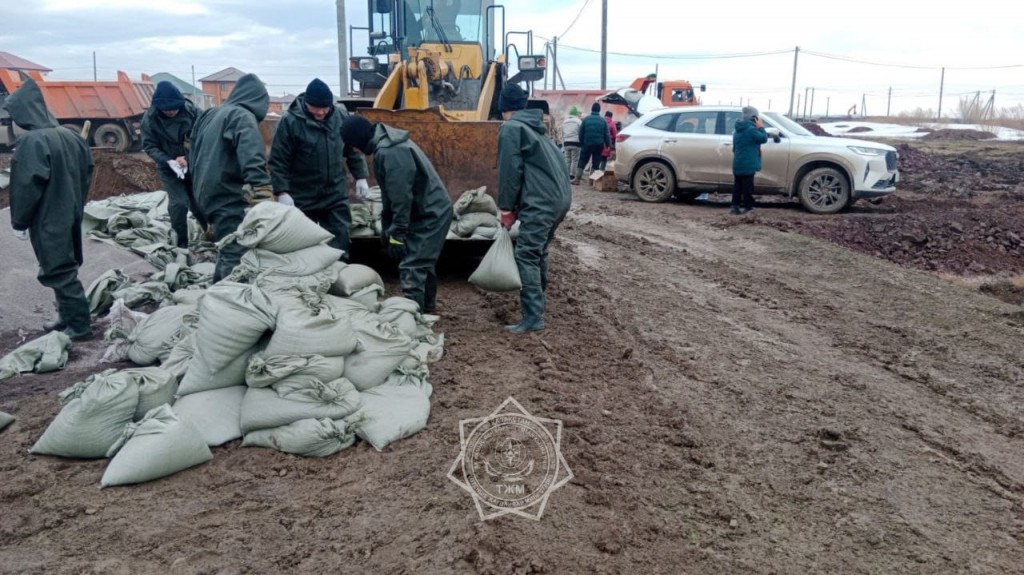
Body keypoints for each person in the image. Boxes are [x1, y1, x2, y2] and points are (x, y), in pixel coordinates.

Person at [4, 78, 94, 340]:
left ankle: (79, 326)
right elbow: (88, 170)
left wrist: (19, 221)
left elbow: (26, 185)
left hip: (49, 215)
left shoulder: (32, 141)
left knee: (58, 269)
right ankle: (65, 316)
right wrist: (77, 199)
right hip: (71, 209)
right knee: (65, 262)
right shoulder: (71, 135)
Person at [340, 115, 453, 313]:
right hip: (424, 210)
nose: (355, 151)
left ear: (359, 139)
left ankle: (413, 317)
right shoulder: (386, 144)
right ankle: (427, 308)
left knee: (412, 265)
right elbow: (391, 196)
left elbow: (401, 197)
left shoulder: (391, 151)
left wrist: (398, 233)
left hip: (431, 213)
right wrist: (388, 227)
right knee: (422, 261)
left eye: (353, 146)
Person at [495, 83, 572, 333]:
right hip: (558, 200)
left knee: (526, 255)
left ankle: (533, 318)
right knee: (538, 251)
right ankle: (538, 303)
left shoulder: (511, 129)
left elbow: (510, 172)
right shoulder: (537, 130)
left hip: (541, 202)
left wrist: (506, 208)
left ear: (503, 107)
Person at [268, 78, 369, 259]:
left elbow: (352, 149)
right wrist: (282, 191)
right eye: (316, 108)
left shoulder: (340, 117)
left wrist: (361, 176)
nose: (321, 112)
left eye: (325, 108)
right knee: (303, 245)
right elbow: (278, 160)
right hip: (302, 194)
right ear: (306, 103)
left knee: (339, 239)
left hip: (334, 193)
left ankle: (339, 271)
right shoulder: (290, 122)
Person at [189, 73, 274, 282]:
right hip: (226, 195)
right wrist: (262, 189)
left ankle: (218, 288)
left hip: (205, 192)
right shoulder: (242, 116)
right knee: (235, 250)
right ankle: (227, 296)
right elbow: (252, 154)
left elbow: (192, 150)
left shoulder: (211, 114)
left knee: (226, 245)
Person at [141, 80, 207, 249]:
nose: (171, 112)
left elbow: (205, 139)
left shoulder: (193, 112)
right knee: (179, 204)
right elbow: (149, 146)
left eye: (174, 108)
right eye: (166, 109)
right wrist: (167, 160)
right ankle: (180, 243)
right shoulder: (150, 119)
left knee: (199, 203)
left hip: (194, 164)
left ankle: (210, 233)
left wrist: (188, 158)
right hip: (169, 168)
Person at [731, 106, 768, 215]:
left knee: (737, 186)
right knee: (748, 187)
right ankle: (748, 207)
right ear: (754, 117)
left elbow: (734, 149)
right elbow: (764, 138)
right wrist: (761, 127)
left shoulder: (736, 130)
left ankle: (734, 207)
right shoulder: (751, 130)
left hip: (737, 163)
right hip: (748, 164)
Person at [573, 102, 610, 185]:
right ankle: (591, 181)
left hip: (587, 143)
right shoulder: (603, 121)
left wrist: (582, 143)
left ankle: (577, 179)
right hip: (599, 145)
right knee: (596, 163)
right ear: (599, 110)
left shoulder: (586, 119)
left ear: (591, 109)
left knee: (582, 160)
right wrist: (608, 144)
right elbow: (607, 134)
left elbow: (581, 133)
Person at [560, 106, 582, 181]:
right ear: (576, 113)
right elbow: (581, 133)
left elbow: (562, 133)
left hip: (566, 142)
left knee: (567, 159)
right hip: (576, 143)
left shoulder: (565, 122)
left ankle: (566, 174)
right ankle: (572, 175)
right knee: (574, 160)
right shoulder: (579, 121)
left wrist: (563, 143)